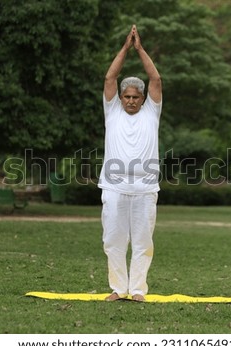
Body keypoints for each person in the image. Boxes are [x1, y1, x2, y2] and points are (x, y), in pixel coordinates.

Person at [98, 25, 162, 302]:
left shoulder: (152, 111)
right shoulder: (112, 110)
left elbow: (156, 78)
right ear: (121, 98)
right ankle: (117, 288)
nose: (132, 101)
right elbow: (110, 77)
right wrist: (125, 48)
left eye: (137, 96)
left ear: (143, 98)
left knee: (142, 243)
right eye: (128, 97)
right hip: (114, 187)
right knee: (113, 240)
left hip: (145, 188)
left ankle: (137, 290)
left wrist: (140, 49)